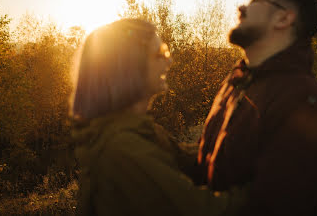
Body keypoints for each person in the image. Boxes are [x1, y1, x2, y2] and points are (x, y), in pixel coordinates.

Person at [195, 0, 317, 216]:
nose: (241, 7)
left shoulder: (302, 101)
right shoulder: (238, 80)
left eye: (255, 1)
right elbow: (209, 163)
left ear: (283, 19)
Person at [70, 19, 244, 216]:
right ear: (130, 67)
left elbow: (187, 160)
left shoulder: (133, 129)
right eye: (160, 54)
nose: (169, 61)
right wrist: (271, 187)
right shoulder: (123, 147)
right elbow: (206, 210)